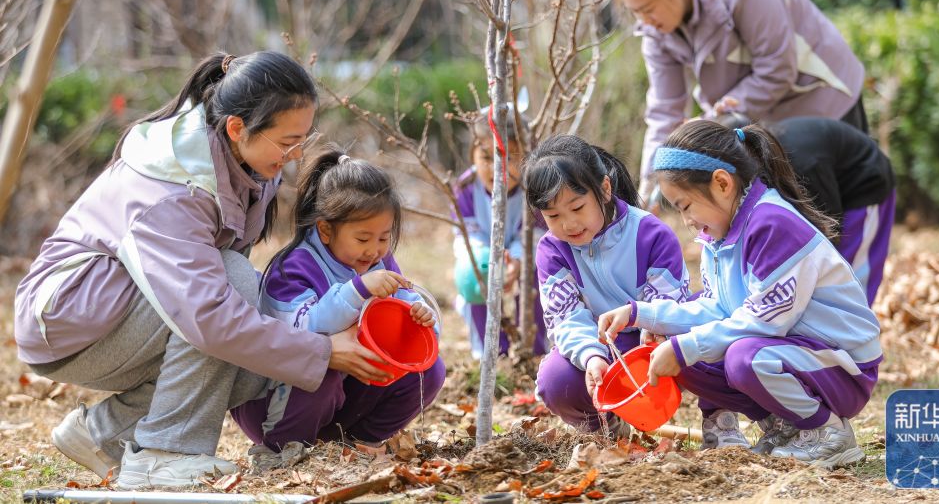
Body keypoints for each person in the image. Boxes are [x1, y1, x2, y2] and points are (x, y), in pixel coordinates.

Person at [14, 51, 391, 489]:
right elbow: (210, 316)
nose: (295, 155)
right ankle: (166, 454)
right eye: (287, 141)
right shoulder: (175, 189)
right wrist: (321, 351)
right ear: (237, 128)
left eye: (303, 139)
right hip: (69, 316)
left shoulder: (249, 166)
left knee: (257, 354)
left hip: (122, 309)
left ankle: (103, 433)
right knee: (234, 292)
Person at [599, 120, 881, 468]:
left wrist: (685, 348)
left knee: (743, 358)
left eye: (685, 206)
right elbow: (718, 307)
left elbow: (764, 320)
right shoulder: (720, 234)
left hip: (845, 368)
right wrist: (641, 314)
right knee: (687, 350)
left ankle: (828, 433)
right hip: (800, 354)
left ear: (722, 183)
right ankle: (786, 426)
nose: (686, 221)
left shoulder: (773, 224)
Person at [230, 146, 446, 464]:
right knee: (321, 367)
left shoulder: (377, 261)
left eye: (383, 238)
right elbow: (304, 331)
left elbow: (403, 304)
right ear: (326, 230)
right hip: (272, 401)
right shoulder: (292, 269)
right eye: (363, 239)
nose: (374, 250)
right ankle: (278, 449)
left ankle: (357, 443)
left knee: (429, 370)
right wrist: (357, 290)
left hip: (340, 397)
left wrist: (422, 319)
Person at [617, 0, 868, 181]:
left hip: (824, 98)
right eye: (635, 12)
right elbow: (664, 111)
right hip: (767, 123)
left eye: (648, 9)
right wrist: (652, 181)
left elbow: (776, 69)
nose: (644, 21)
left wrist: (713, 122)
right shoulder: (655, 32)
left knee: (836, 203)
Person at [520, 134, 689, 435]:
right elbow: (565, 317)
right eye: (553, 216)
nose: (569, 224)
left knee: (707, 337)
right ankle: (607, 428)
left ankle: (720, 419)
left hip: (653, 344)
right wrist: (592, 356)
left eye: (577, 208)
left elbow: (667, 306)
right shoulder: (552, 249)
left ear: (605, 189)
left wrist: (647, 348)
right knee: (556, 379)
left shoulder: (650, 234)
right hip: (602, 345)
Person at [719, 114, 895, 306]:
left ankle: (853, 323)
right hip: (828, 183)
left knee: (850, 281)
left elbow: (827, 232)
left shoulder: (804, 165)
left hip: (865, 183)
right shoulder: (764, 164)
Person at [452, 111, 548, 357]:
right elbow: (465, 236)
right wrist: (487, 260)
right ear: (472, 155)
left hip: (524, 252)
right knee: (473, 274)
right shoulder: (466, 188)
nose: (497, 168)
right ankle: (491, 350)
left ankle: (534, 347)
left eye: (510, 158)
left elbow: (536, 235)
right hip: (483, 254)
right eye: (487, 157)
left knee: (537, 274)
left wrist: (516, 259)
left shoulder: (533, 189)